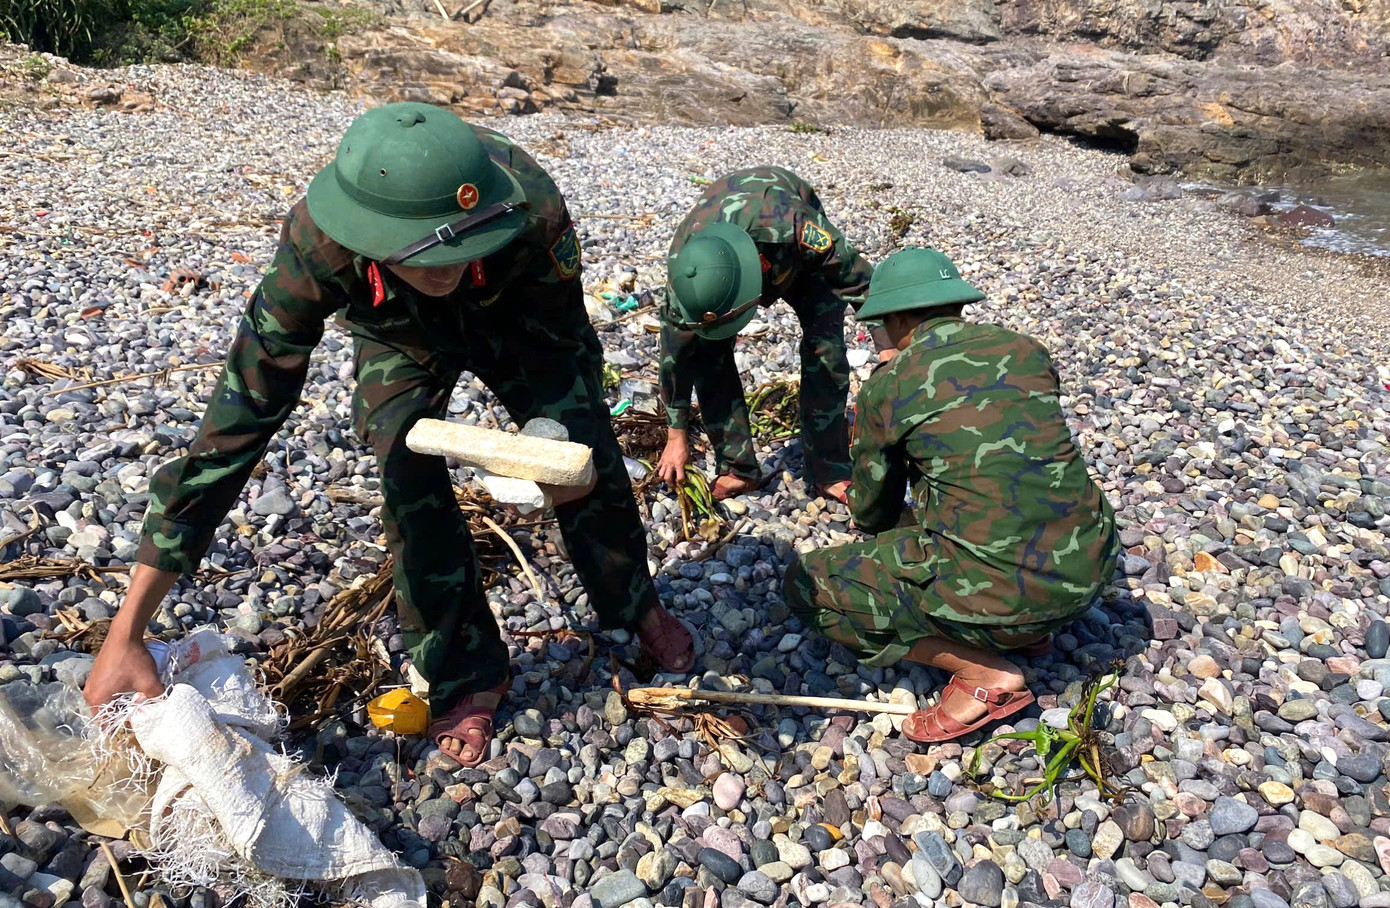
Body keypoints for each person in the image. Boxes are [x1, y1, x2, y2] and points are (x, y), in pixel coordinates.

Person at [83, 102, 693, 767]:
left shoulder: (530, 213)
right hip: (399, 334)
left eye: (459, 249)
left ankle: (636, 605)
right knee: (406, 478)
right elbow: (235, 423)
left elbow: (567, 346)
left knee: (582, 458)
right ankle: (466, 669)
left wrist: (557, 441)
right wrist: (128, 628)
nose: (445, 269)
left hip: (517, 322)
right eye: (424, 255)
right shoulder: (319, 244)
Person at [783, 247, 1118, 743]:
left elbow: (873, 512)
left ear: (896, 319)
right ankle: (1034, 630)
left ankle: (985, 673)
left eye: (877, 325)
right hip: (1090, 571)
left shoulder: (891, 383)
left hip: (1002, 595)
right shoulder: (1026, 350)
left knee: (804, 584)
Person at [655, 167, 892, 504]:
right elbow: (674, 355)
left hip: (791, 249)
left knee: (825, 349)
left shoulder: (796, 228)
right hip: (726, 247)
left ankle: (830, 469)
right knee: (709, 355)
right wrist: (675, 432)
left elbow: (862, 282)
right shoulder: (688, 273)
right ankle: (738, 468)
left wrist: (888, 349)